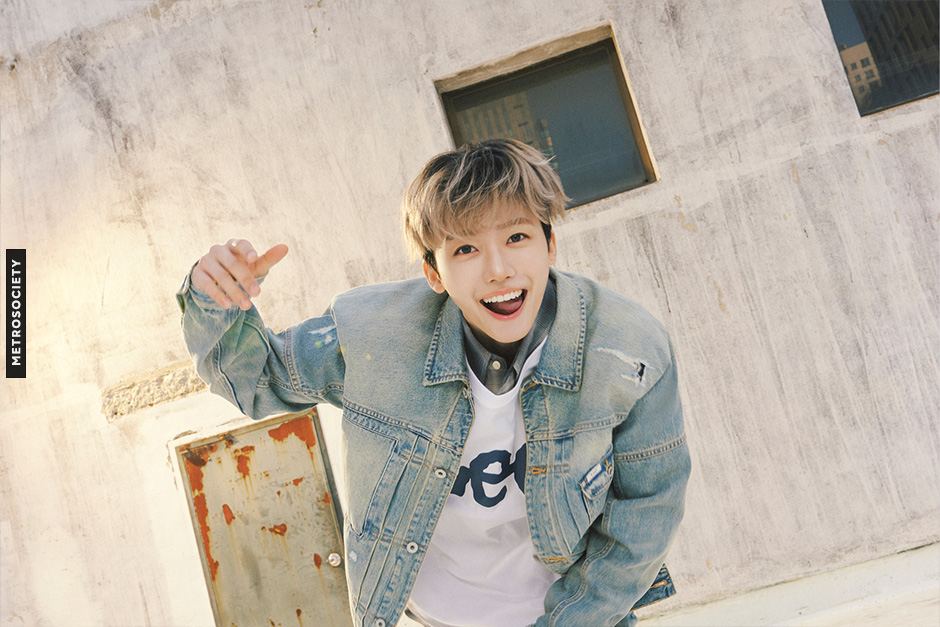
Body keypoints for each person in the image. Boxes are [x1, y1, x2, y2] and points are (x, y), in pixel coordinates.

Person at [177, 139, 691, 627]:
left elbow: (650, 506)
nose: (498, 270)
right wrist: (214, 299)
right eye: (465, 249)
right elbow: (257, 380)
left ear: (550, 244)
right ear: (434, 273)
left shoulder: (628, 349)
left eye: (517, 237)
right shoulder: (374, 335)